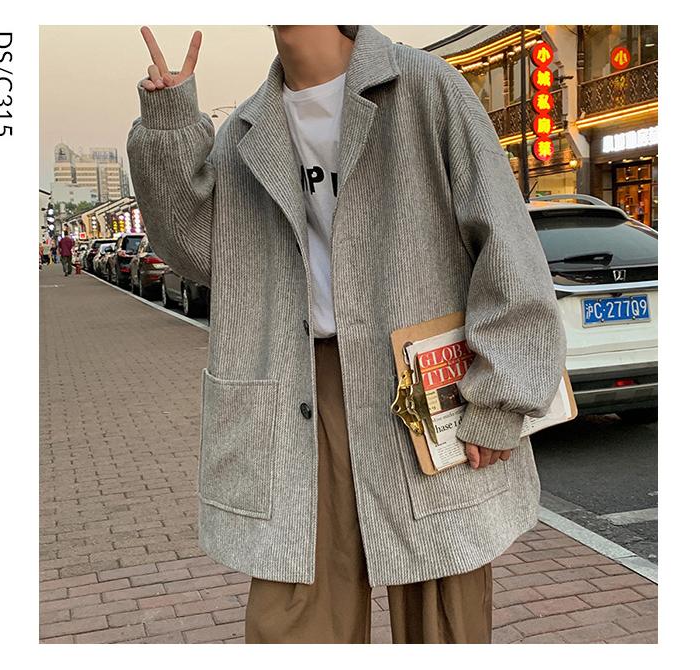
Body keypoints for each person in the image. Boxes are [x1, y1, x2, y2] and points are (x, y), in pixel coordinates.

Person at [127, 25, 567, 644]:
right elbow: (196, 248)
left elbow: (507, 246)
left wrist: (500, 399)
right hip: (302, 388)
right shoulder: (250, 127)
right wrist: (170, 120)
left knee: (444, 612)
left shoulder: (424, 90)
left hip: (426, 384)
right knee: (295, 618)